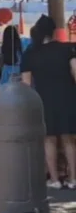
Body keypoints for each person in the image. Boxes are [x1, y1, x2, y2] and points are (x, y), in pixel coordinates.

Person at [21, 15, 76, 190]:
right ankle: (73, 178)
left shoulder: (30, 53)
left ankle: (54, 179)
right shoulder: (66, 49)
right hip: (68, 98)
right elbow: (75, 71)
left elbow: (26, 83)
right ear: (53, 31)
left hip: (43, 100)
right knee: (69, 140)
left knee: (49, 140)